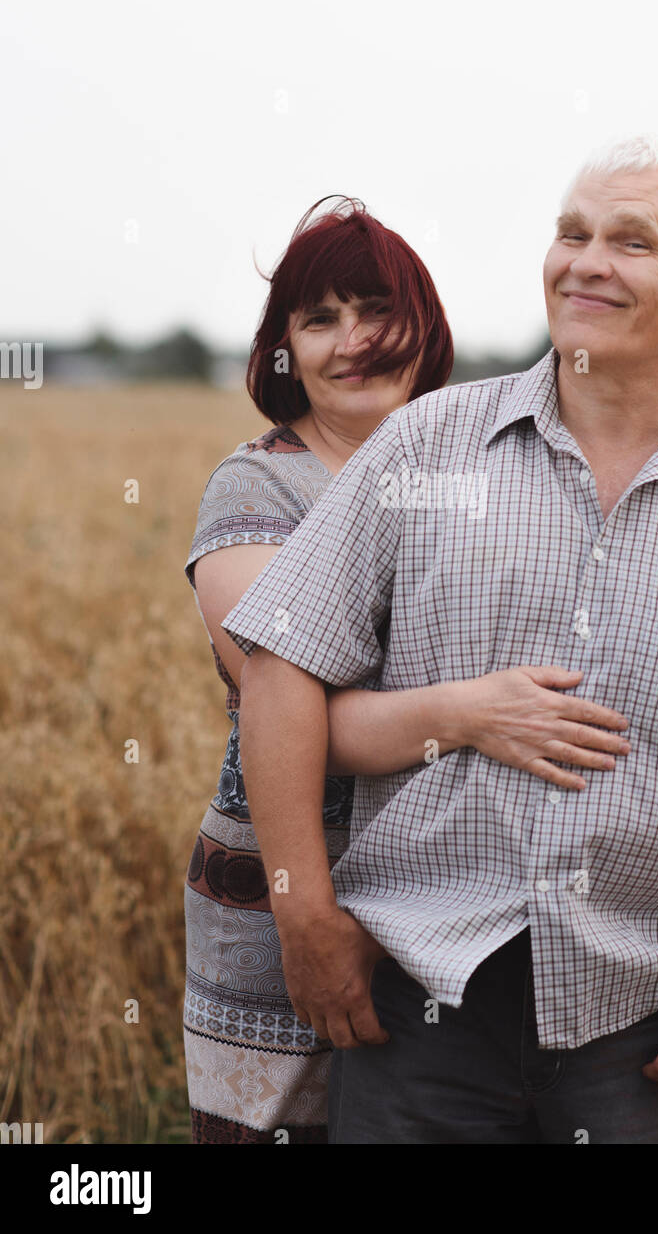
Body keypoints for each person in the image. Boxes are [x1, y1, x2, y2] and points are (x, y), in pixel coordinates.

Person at [221, 137, 658, 1144]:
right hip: (416, 1016)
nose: (585, 262)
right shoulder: (424, 445)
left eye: (629, 241)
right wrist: (302, 911)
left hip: (648, 1033)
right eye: (571, 234)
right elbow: (281, 662)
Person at [183, 195, 632, 1143]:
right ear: (284, 354)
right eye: (319, 320)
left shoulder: (487, 477)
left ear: (425, 328)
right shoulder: (258, 485)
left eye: (376, 311)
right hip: (300, 882)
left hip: (456, 899)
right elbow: (290, 700)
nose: (354, 341)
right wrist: (473, 714)